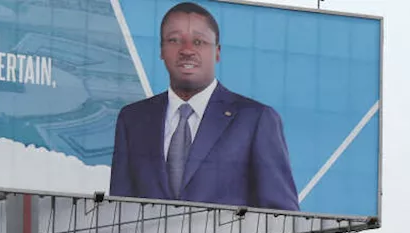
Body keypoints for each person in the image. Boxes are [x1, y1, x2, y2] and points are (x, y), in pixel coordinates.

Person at [108, 2, 298, 211]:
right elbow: (120, 211)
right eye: (174, 40)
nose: (187, 50)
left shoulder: (256, 119)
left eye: (199, 41)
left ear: (217, 52)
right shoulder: (133, 119)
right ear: (161, 50)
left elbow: (281, 216)